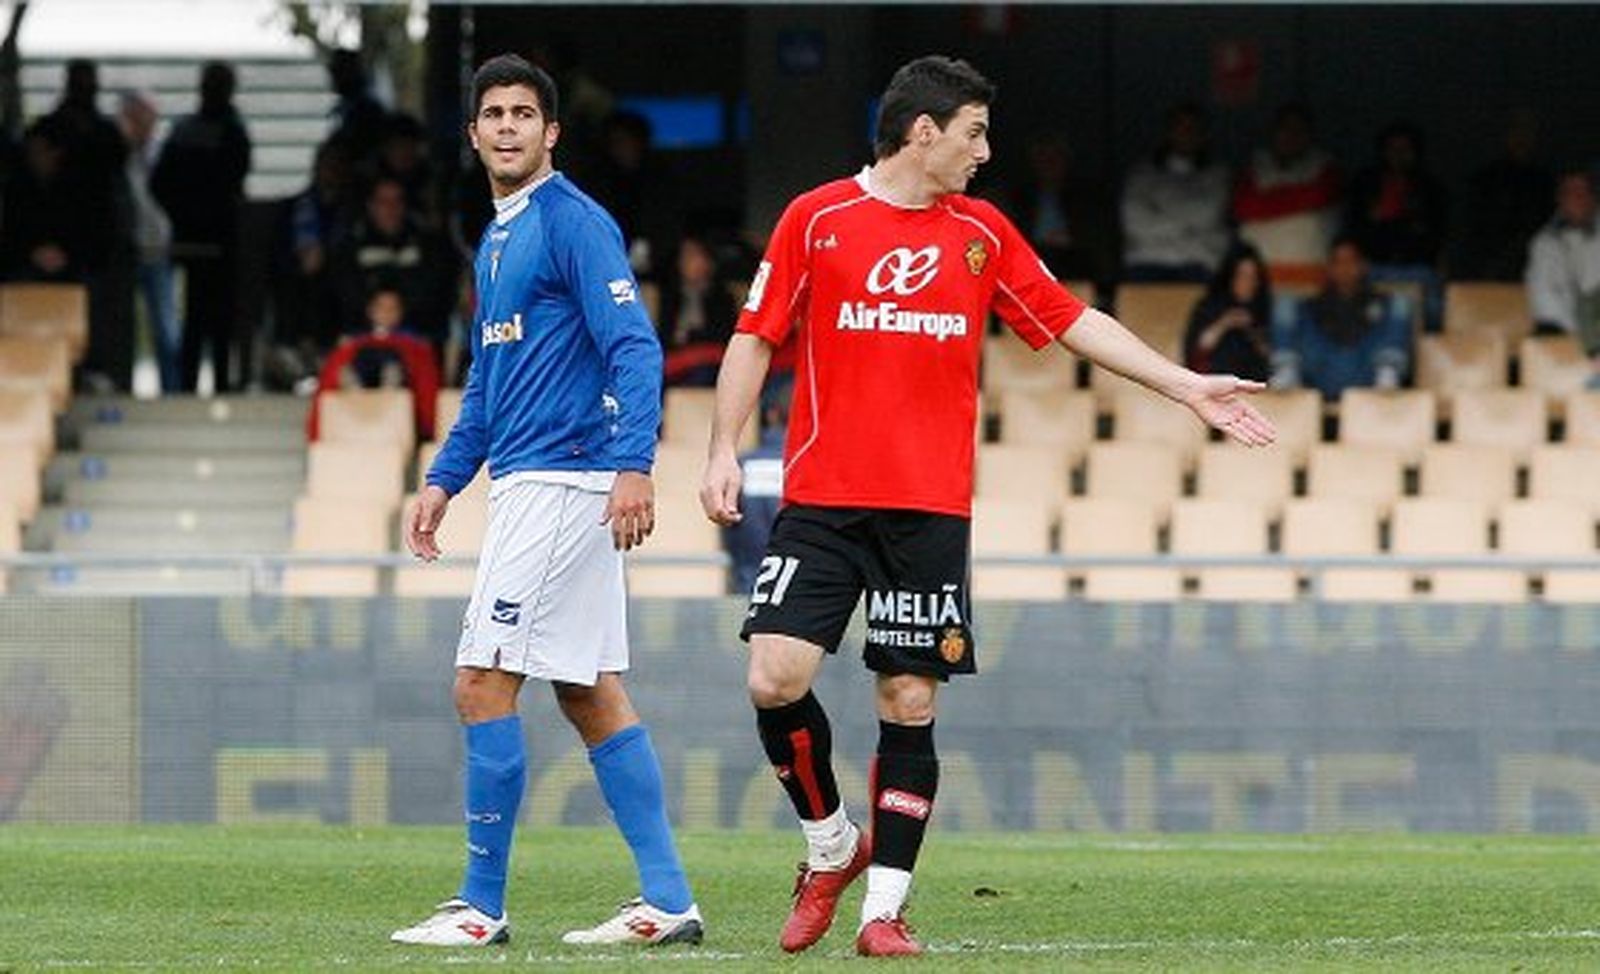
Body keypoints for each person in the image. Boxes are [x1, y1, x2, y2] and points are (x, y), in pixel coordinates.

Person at [698, 55, 1275, 958]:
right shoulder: (817, 218)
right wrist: (722, 448)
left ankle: (882, 912)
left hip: (928, 510)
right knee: (774, 676)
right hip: (823, 498)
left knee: (909, 696)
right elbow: (754, 336)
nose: (985, 150)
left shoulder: (982, 233)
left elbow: (1071, 319)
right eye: (973, 132)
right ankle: (829, 846)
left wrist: (1182, 384)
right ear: (923, 133)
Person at [391, 53, 702, 950]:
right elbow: (488, 384)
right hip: (533, 478)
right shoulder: (495, 239)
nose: (507, 127)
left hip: (567, 479)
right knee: (587, 690)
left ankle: (480, 908)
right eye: (493, 114)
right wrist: (445, 480)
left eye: (524, 113)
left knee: (481, 681)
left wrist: (633, 465)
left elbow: (635, 348)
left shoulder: (573, 222)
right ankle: (670, 898)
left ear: (551, 132)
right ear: (475, 133)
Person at [151, 61, 252, 393]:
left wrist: (188, 212)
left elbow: (235, 177)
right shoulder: (191, 130)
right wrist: (187, 214)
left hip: (218, 239)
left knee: (214, 318)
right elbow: (159, 182)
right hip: (200, 240)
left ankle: (216, 385)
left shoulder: (227, 130)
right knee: (198, 318)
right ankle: (190, 387)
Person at [1274, 236, 1412, 400]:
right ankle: (1287, 371)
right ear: (1330, 268)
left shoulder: (1377, 301)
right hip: (1323, 370)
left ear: (1362, 266)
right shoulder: (1316, 303)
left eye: (1350, 261)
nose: (1345, 268)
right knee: (1285, 303)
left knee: (1400, 302)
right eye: (1338, 262)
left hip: (1366, 372)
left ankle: (1388, 371)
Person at [1343, 121, 1448, 331]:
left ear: (1415, 152)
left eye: (1405, 148)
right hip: (1374, 268)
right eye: (1393, 148)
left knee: (1435, 313)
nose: (1399, 154)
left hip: (1416, 269)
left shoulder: (1430, 187)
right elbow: (1353, 229)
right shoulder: (1365, 183)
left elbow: (1436, 234)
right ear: (1383, 151)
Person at [1120, 102, 1232, 283]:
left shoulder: (1216, 174)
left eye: (1193, 127)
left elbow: (1207, 215)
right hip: (1146, 262)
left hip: (1199, 264)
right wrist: (1187, 226)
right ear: (1168, 131)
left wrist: (1159, 212)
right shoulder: (1141, 175)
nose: (1187, 132)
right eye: (1180, 126)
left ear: (1203, 134)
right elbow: (1134, 223)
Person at [1233, 103, 1341, 283]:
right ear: (1274, 131)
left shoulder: (1326, 165)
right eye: (1286, 128)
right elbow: (1244, 207)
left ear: (1310, 134)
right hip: (1259, 272)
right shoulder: (1255, 164)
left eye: (1300, 129)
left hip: (1311, 269)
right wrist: (1299, 197)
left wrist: (1266, 200)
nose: (1292, 135)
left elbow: (1318, 195)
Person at [118, 90, 181, 394]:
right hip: (128, 252)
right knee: (123, 329)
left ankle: (170, 392)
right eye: (133, 117)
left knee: (166, 329)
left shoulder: (165, 154)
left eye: (145, 117)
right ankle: (123, 389)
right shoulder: (117, 156)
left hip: (159, 251)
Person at [1525, 170, 1600, 385]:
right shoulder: (1543, 244)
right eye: (1570, 193)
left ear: (1593, 198)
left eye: (1583, 192)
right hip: (1565, 337)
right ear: (1560, 199)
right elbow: (1544, 301)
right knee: (1546, 334)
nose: (1577, 199)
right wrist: (1585, 342)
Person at [1183, 246, 1273, 380]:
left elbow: (1272, 359)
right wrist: (1225, 323)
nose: (1248, 282)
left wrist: (1252, 332)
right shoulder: (1211, 304)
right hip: (1215, 382)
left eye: (1253, 277)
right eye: (1242, 275)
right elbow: (1196, 352)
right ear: (1230, 277)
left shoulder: (1264, 306)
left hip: (1254, 386)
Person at [658, 235, 736, 387]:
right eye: (685, 257)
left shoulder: (722, 297)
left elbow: (725, 336)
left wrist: (694, 336)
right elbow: (664, 333)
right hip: (677, 357)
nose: (689, 263)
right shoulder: (671, 295)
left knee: (704, 373)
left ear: (708, 262)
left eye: (695, 256)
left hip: (708, 358)